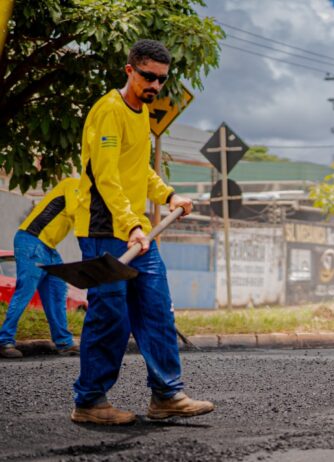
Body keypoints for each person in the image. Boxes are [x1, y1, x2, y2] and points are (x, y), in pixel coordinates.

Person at [70, 39, 213, 425]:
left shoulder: (141, 112)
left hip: (136, 231)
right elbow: (106, 176)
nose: (155, 85)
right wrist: (130, 223)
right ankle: (89, 402)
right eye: (148, 76)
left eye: (161, 79)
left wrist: (168, 194)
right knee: (110, 315)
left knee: (156, 308)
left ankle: (166, 395)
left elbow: (138, 168)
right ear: (130, 70)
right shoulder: (109, 111)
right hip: (104, 229)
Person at [0, 178, 80, 358]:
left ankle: (64, 342)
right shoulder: (74, 184)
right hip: (31, 240)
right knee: (25, 291)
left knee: (57, 290)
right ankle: (4, 340)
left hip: (49, 248)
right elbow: (75, 212)